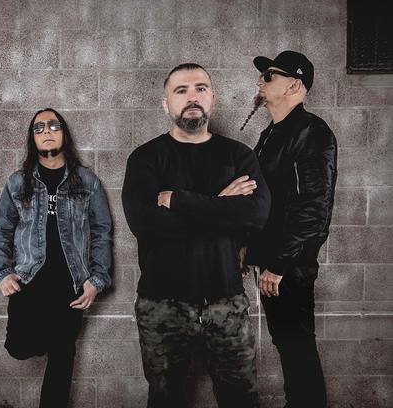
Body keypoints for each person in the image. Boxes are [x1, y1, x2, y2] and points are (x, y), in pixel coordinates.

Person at [122, 63, 271, 408]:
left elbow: (256, 215)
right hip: (162, 304)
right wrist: (222, 204)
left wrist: (179, 201)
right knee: (165, 399)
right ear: (166, 104)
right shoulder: (145, 159)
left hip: (226, 300)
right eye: (181, 90)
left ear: (212, 99)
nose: (192, 97)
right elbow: (146, 223)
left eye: (201, 88)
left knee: (241, 400)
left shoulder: (239, 156)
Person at [0, 108, 112, 408]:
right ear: (32, 139)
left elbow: (101, 231)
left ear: (64, 134)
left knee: (63, 355)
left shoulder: (87, 181)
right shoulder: (17, 183)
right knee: (18, 347)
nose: (46, 131)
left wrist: (96, 280)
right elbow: (2, 230)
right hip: (28, 281)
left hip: (71, 284)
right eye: (39, 128)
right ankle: (50, 332)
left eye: (53, 126)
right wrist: (3, 273)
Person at [244, 51, 337, 408]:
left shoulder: (312, 132)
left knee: (297, 349)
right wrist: (248, 247)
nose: (261, 81)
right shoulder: (272, 133)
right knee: (288, 346)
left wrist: (280, 263)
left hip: (288, 268)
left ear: (294, 85)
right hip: (273, 264)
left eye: (269, 75)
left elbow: (313, 209)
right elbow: (265, 199)